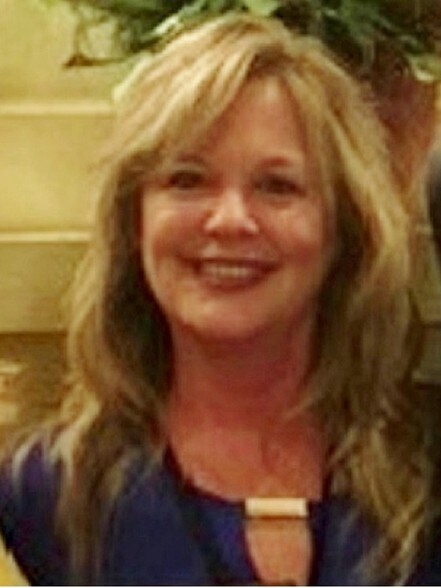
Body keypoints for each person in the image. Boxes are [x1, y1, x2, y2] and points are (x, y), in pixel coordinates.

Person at [0, 11, 439, 586]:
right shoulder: (43, 500)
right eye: (187, 180)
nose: (230, 219)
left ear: (342, 232)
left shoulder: (426, 481)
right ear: (134, 224)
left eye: (277, 186)